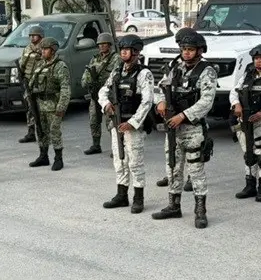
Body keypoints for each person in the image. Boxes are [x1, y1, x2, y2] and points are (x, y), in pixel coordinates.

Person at [152, 29, 217, 228]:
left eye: (190, 49)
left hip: (192, 128)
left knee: (196, 170)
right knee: (172, 167)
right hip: (173, 127)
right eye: (183, 49)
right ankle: (174, 205)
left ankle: (200, 210)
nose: (186, 53)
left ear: (199, 50)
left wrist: (183, 116)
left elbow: (206, 101)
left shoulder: (207, 71)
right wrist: (160, 102)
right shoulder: (175, 68)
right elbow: (160, 87)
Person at [99, 33, 154, 213]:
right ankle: (122, 195)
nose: (123, 53)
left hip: (133, 126)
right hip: (117, 123)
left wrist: (132, 122)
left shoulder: (144, 74)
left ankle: (139, 198)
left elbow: (147, 101)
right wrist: (106, 104)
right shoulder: (116, 72)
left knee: (135, 162)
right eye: (121, 50)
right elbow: (103, 91)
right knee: (119, 160)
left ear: (136, 52)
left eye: (127, 50)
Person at [231, 43, 261, 202]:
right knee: (249, 155)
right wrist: (236, 104)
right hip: (245, 121)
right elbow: (234, 91)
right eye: (256, 58)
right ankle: (249, 186)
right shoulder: (248, 74)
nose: (258, 61)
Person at [27, 37, 71, 171]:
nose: (42, 52)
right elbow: (32, 83)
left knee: (54, 131)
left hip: (53, 105)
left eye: (45, 49)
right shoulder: (41, 65)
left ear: (53, 50)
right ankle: (43, 156)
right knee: (40, 130)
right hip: (39, 104)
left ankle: (58, 159)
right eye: (41, 49)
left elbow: (65, 88)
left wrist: (61, 107)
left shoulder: (59, 66)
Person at [82, 34, 119, 155]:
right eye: (100, 44)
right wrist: (87, 83)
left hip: (109, 95)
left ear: (109, 45)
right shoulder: (95, 59)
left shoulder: (115, 58)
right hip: (95, 94)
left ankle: (117, 146)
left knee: (111, 122)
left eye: (104, 44)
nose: (102, 46)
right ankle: (96, 145)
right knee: (94, 120)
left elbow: (116, 76)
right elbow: (87, 73)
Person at [17, 24, 45, 143]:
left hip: (39, 81)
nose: (32, 38)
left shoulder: (45, 48)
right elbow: (22, 62)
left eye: (35, 35)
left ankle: (43, 131)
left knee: (41, 108)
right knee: (29, 107)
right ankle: (31, 132)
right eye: (31, 36)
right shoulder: (27, 48)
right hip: (28, 80)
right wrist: (21, 75)